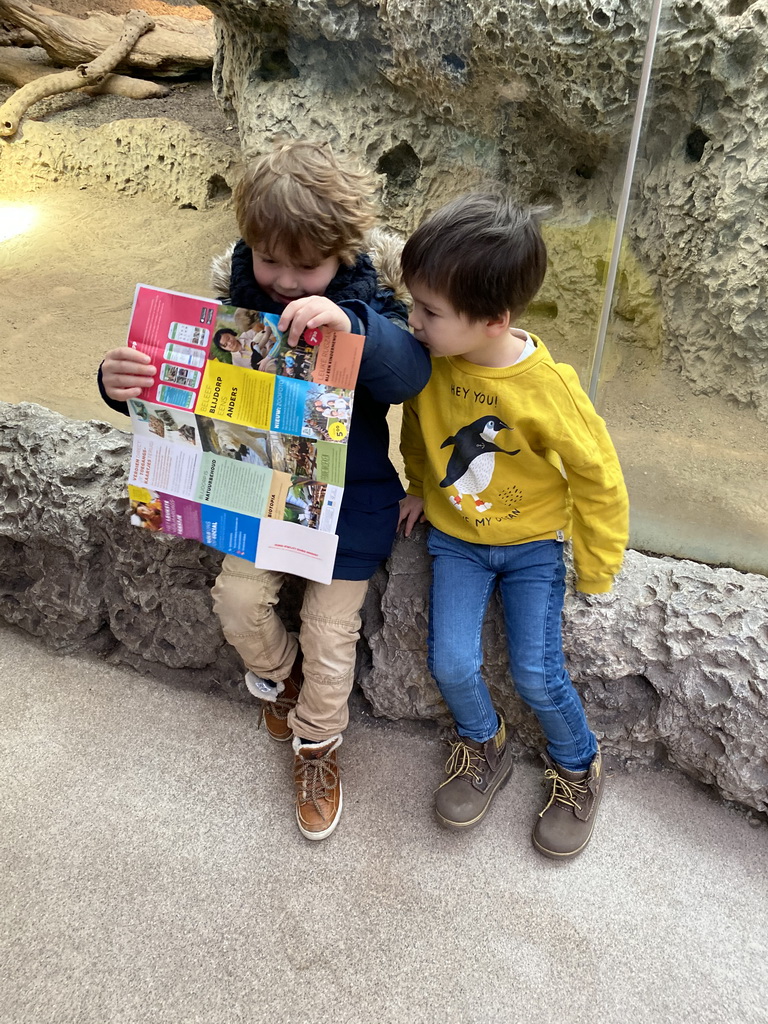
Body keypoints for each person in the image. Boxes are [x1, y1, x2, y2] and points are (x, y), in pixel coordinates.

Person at [98, 140, 431, 842]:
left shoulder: (370, 300)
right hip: (258, 489)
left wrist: (356, 330)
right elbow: (177, 397)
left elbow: (410, 379)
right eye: (266, 257)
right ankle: (280, 678)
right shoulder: (234, 298)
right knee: (239, 601)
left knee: (331, 634)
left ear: (344, 251)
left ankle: (317, 746)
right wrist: (118, 383)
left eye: (303, 264)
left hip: (353, 498)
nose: (281, 279)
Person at [398, 193, 629, 860]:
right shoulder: (432, 361)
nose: (412, 321)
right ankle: (482, 741)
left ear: (495, 320)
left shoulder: (547, 388)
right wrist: (418, 486)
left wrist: (597, 563)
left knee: (536, 673)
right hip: (458, 543)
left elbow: (598, 474)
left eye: (429, 312)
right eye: (414, 303)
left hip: (532, 548)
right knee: (451, 660)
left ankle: (580, 765)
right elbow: (416, 428)